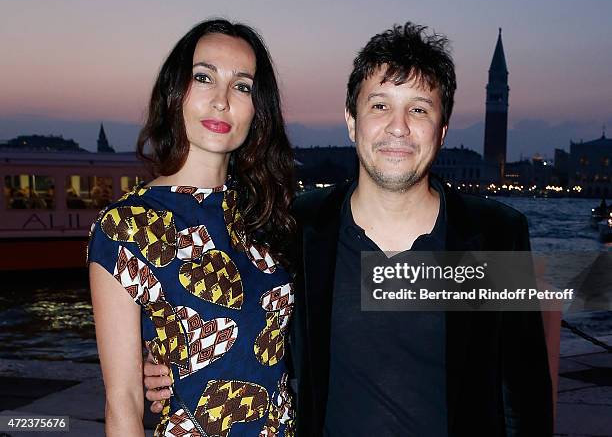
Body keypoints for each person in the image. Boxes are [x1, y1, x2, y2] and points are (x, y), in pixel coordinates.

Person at [146, 22, 554, 436]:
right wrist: (168, 368)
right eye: (379, 105)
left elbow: (524, 399)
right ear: (351, 122)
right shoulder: (294, 228)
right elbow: (240, 322)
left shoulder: (497, 235)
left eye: (419, 109)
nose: (399, 127)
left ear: (442, 131)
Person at [89, 18, 296, 437]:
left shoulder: (269, 212)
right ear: (174, 92)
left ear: (258, 110)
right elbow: (123, 402)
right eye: (204, 78)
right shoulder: (125, 228)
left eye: (242, 86)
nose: (222, 101)